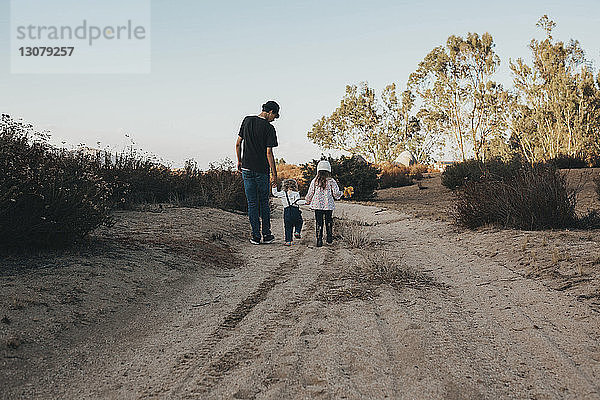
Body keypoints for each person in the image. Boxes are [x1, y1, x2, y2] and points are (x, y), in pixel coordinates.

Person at [235, 101, 280, 245]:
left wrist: (239, 161)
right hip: (262, 170)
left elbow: (237, 143)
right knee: (264, 203)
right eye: (275, 116)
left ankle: (255, 236)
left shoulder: (247, 120)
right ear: (271, 112)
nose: (274, 119)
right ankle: (266, 235)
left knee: (252, 203)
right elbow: (269, 152)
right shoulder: (269, 128)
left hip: (246, 168)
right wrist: (275, 174)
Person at [305, 160, 343, 247]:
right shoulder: (331, 181)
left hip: (317, 206)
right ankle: (329, 238)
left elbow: (310, 192)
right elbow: (336, 193)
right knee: (329, 221)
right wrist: (341, 193)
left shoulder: (315, 181)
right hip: (328, 205)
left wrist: (308, 200)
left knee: (319, 222)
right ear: (329, 170)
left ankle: (319, 240)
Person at [271, 179, 306, 246]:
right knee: (299, 221)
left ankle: (288, 241)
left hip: (287, 211)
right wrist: (305, 202)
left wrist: (274, 188)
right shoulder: (296, 193)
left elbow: (275, 194)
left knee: (288, 226)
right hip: (295, 210)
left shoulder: (282, 193)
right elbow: (297, 202)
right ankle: (297, 231)